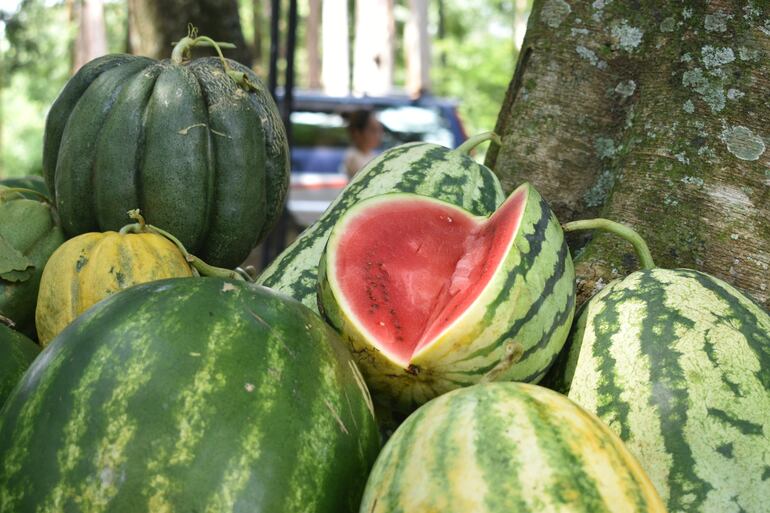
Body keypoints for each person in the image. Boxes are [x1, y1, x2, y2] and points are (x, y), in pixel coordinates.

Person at [341, 109, 383, 178]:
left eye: (379, 130)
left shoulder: (371, 154)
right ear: (357, 133)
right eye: (373, 130)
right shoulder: (353, 158)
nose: (378, 135)